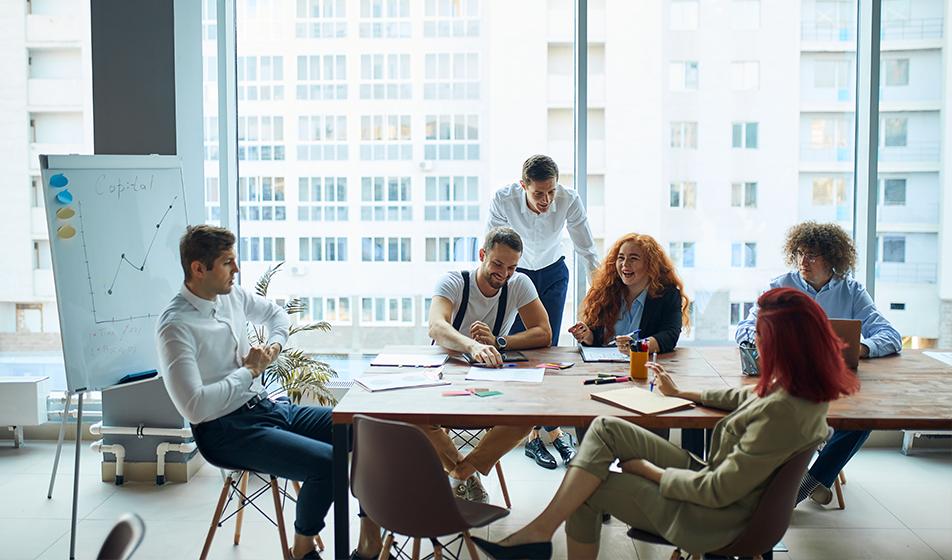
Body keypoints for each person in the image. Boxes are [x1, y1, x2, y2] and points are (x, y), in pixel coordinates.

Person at [471, 288, 859, 560]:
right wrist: (684, 394)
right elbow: (747, 398)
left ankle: (535, 537)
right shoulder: (804, 389)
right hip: (726, 488)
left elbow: (715, 490)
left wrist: (649, 472)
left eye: (760, 339)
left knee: (588, 489)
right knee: (606, 426)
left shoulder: (783, 411)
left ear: (784, 345)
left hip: (715, 516)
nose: (755, 346)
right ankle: (537, 536)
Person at [157, 225, 385, 560]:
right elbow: (193, 407)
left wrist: (275, 345)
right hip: (225, 429)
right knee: (327, 464)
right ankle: (302, 547)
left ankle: (370, 539)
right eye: (227, 262)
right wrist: (248, 371)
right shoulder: (175, 326)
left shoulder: (230, 295)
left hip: (266, 407)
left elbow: (276, 315)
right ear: (198, 268)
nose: (237, 270)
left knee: (365, 431)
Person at [734, 221, 901, 507]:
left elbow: (891, 336)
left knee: (863, 419)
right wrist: (766, 336)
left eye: (812, 255)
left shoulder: (851, 292)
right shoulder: (781, 286)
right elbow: (744, 329)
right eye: (799, 253)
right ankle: (810, 481)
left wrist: (862, 347)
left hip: (832, 384)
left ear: (832, 258)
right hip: (787, 383)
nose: (803, 261)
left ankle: (807, 482)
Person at [488, 155, 599, 469]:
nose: (547, 200)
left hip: (552, 272)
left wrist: (604, 295)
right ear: (524, 186)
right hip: (515, 275)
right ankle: (538, 435)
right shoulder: (503, 199)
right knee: (517, 351)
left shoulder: (568, 200)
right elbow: (491, 247)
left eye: (551, 192)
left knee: (546, 351)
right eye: (539, 194)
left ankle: (546, 432)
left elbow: (587, 249)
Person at [427, 226, 550, 502]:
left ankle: (461, 473)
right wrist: (472, 345)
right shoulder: (453, 282)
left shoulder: (519, 284)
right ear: (482, 254)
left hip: (490, 380)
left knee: (526, 419)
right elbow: (436, 326)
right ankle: (467, 474)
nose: (504, 274)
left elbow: (544, 332)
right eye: (497, 264)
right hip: (447, 377)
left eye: (511, 267)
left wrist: (499, 341)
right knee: (417, 421)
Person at [569, 233, 690, 355]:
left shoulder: (668, 295)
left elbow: (669, 336)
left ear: (650, 265)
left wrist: (637, 347)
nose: (625, 264)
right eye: (621, 258)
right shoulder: (605, 290)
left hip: (643, 367)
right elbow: (596, 338)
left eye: (633, 258)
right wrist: (586, 335)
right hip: (604, 367)